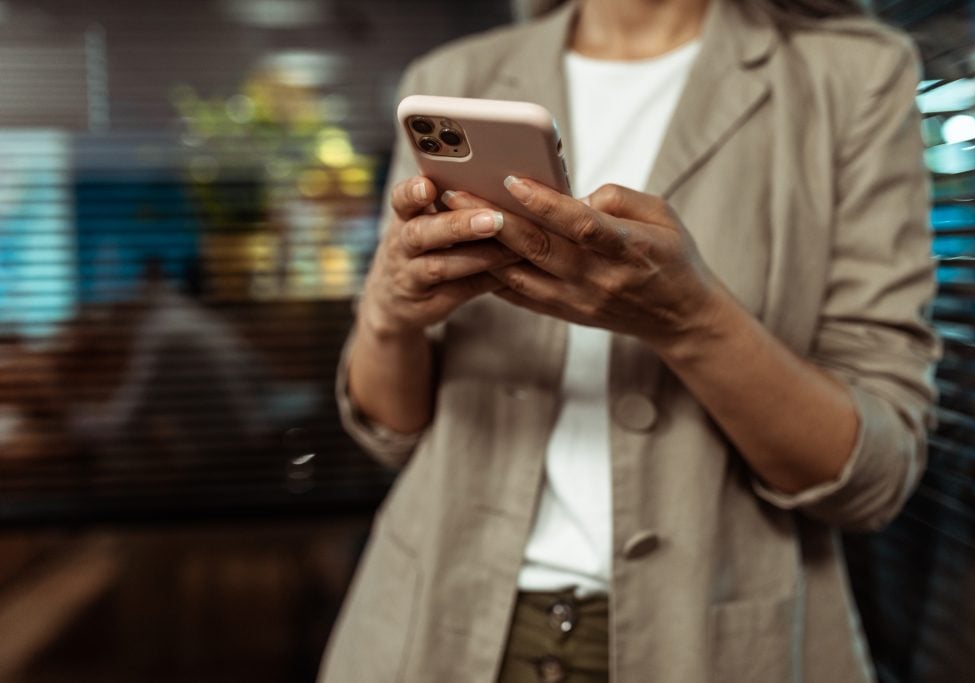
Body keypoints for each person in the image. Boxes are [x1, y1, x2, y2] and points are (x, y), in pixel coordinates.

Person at [320, 0, 940, 680]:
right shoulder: (456, 74)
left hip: (712, 647)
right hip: (427, 628)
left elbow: (873, 476)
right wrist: (388, 315)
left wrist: (691, 321)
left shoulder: (852, 75)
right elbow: (391, 429)